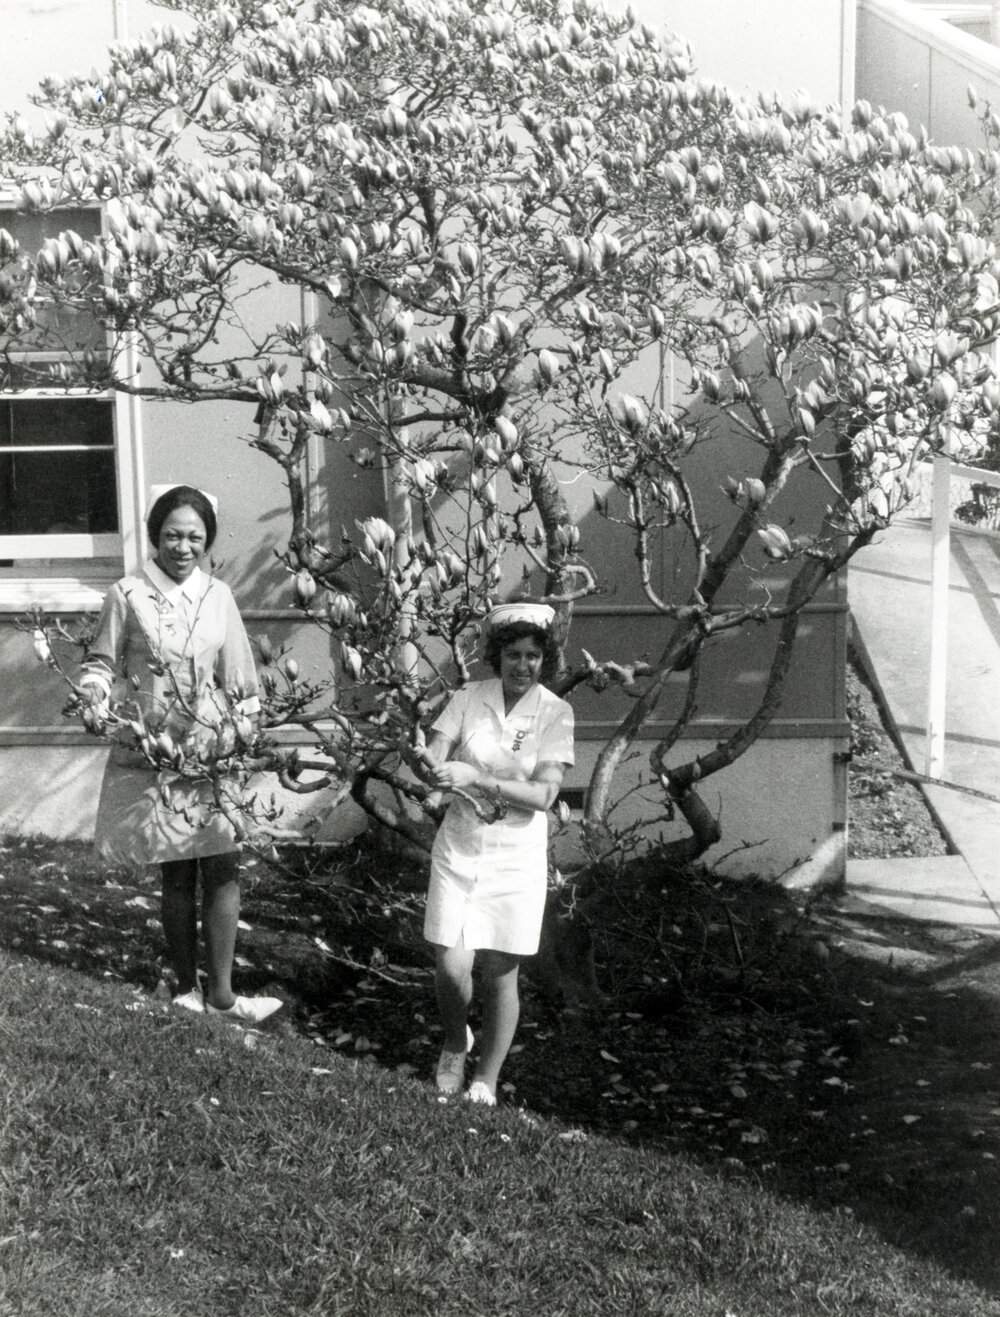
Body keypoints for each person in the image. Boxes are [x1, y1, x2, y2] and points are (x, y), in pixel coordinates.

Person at [79, 484, 282, 1024]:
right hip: (159, 747)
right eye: (173, 535)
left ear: (207, 539)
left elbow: (241, 677)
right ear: (155, 536)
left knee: (222, 864)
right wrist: (93, 696)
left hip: (213, 748)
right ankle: (185, 987)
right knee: (175, 870)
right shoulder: (128, 594)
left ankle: (222, 993)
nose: (183, 546)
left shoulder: (218, 596)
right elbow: (101, 663)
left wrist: (242, 728)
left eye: (194, 536)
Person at [423, 602, 574, 1105]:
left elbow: (544, 797)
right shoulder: (468, 698)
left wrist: (479, 779)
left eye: (533, 655)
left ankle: (486, 1079)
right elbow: (436, 751)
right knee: (451, 966)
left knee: (499, 972)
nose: (522, 665)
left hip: (515, 858)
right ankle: (453, 1040)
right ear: (497, 655)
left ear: (544, 659)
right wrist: (430, 770)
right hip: (460, 848)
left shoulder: (555, 712)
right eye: (513, 654)